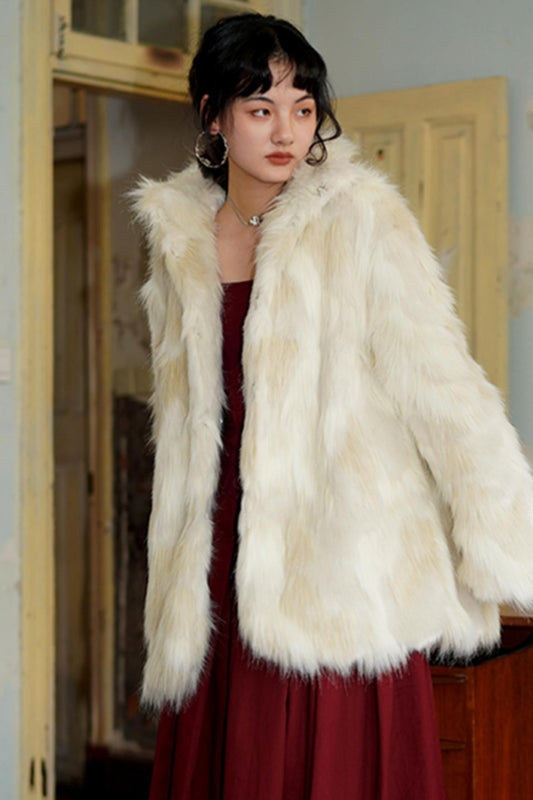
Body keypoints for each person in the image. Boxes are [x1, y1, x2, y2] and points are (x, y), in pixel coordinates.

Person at [131, 13, 533, 800]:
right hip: (215, 564)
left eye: (302, 106)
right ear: (213, 116)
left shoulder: (360, 217)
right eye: (260, 108)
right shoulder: (177, 239)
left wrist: (501, 538)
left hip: (339, 559)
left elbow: (442, 383)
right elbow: (183, 422)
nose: (286, 130)